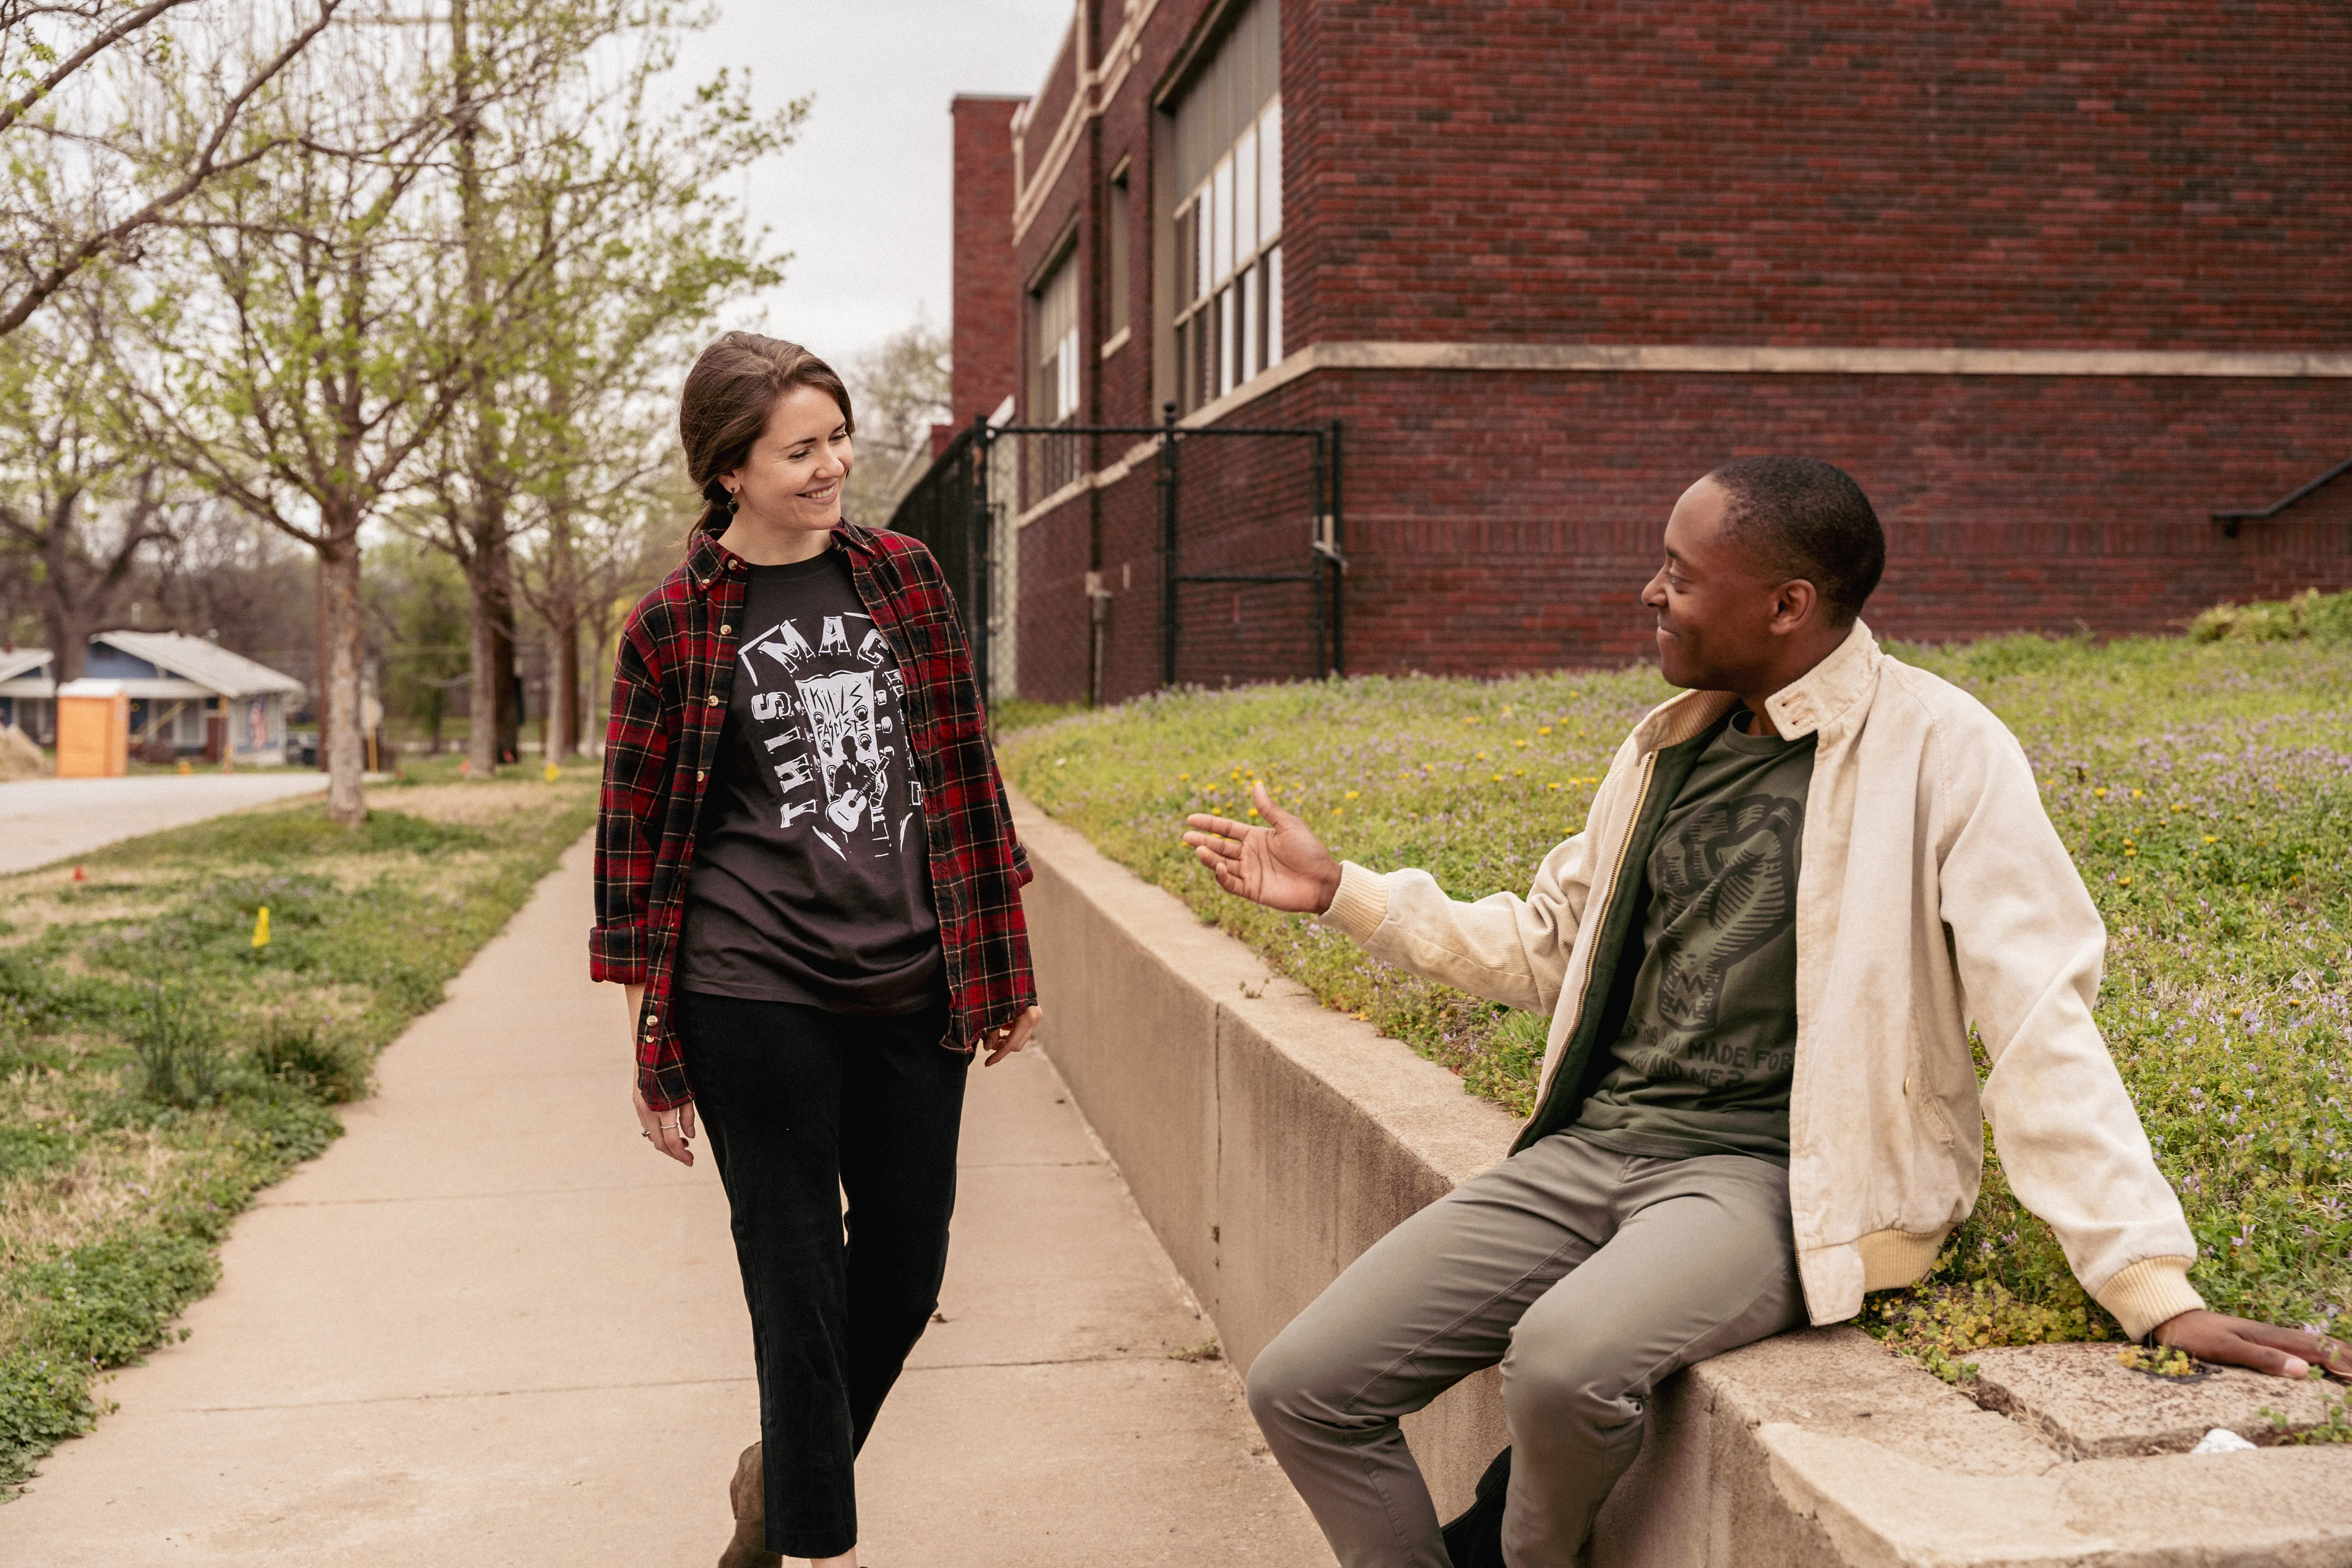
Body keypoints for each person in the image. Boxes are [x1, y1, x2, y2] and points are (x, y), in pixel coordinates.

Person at [1183, 457, 2350, 1568]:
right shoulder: (1665, 750)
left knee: (1560, 1362)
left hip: (1772, 1180)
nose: (1653, 590)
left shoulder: (1941, 749)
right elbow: (1548, 943)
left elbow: (2040, 1010)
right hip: (1592, 1151)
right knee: (1305, 1385)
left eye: (1683, 574)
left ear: (1788, 603)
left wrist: (2150, 1280)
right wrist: (1344, 891)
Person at [592, 331, 1041, 1568]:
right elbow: (634, 840)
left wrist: (1005, 965)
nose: (835, 465)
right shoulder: (672, 628)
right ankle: (793, 1546)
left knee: (901, 1270)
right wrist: (652, 1041)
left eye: (839, 439)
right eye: (803, 449)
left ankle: (776, 1478)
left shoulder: (903, 576)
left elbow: (964, 773)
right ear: (729, 469)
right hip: (752, 989)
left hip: (913, 979)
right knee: (794, 1289)